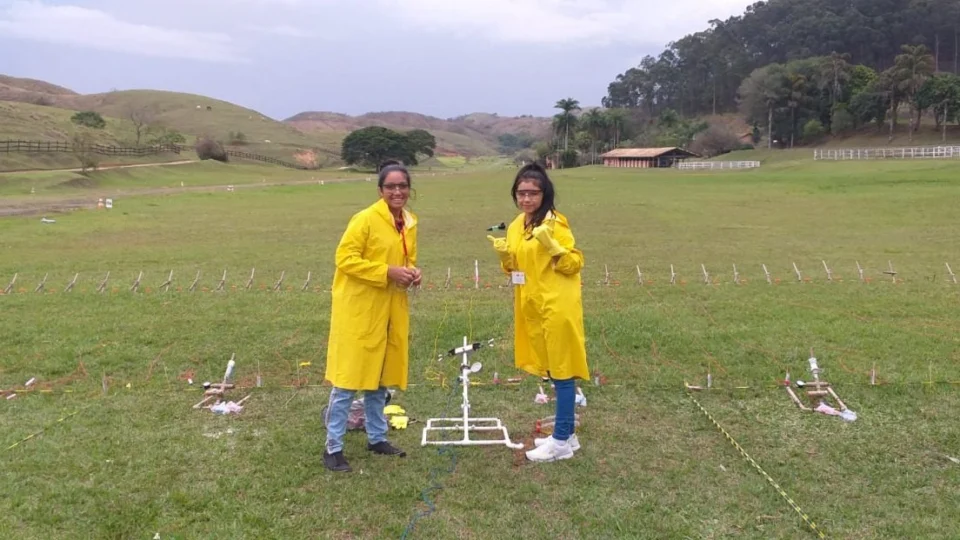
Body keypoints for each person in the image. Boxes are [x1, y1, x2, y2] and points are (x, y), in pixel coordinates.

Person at [322, 160, 422, 473]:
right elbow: (345, 259)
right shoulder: (365, 219)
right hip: (361, 309)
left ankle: (376, 437)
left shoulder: (409, 221)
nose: (397, 191)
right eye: (391, 186)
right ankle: (333, 447)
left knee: (380, 379)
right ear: (380, 190)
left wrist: (411, 272)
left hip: (391, 309)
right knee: (348, 380)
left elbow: (405, 258)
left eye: (402, 186)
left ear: (409, 189)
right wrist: (386, 272)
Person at [487, 162, 589, 462]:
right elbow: (516, 268)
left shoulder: (555, 222)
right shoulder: (518, 224)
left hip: (557, 304)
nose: (527, 199)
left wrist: (555, 247)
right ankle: (567, 436)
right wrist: (505, 256)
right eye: (521, 193)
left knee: (563, 369)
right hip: (532, 304)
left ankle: (559, 441)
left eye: (533, 193)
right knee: (552, 369)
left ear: (544, 194)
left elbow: (574, 263)